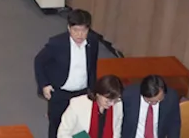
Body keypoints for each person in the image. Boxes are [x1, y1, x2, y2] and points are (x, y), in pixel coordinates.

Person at [36, 9, 103, 138]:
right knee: (57, 125)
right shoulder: (57, 43)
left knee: (81, 125)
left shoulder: (93, 42)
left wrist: (94, 89)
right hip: (60, 92)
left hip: (83, 93)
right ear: (68, 28)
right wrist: (44, 84)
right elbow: (39, 61)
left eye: (84, 30)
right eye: (75, 30)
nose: (80, 35)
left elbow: (92, 67)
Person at [57, 75, 124, 138]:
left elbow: (116, 133)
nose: (112, 104)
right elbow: (62, 133)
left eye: (115, 100)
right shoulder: (77, 104)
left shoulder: (118, 105)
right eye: (107, 101)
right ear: (98, 94)